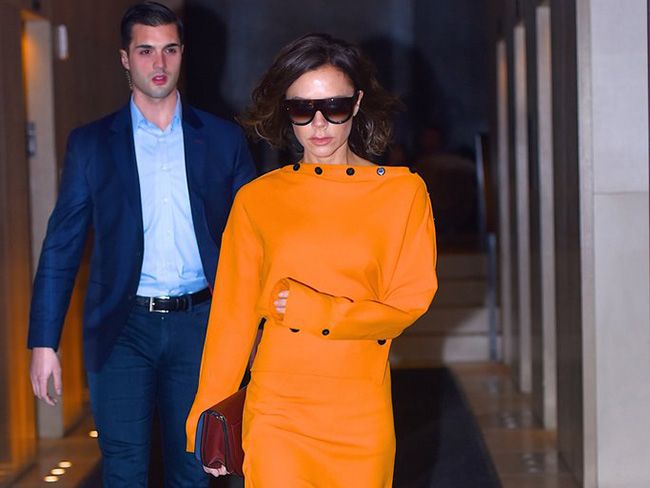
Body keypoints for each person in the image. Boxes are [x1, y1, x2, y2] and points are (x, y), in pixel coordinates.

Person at [185, 33, 438, 487]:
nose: (319, 124)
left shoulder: (402, 194)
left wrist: (317, 312)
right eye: (302, 109)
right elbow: (231, 319)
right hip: (277, 410)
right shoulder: (258, 199)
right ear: (286, 111)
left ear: (356, 104)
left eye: (334, 107)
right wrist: (207, 421)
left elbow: (407, 304)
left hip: (359, 411)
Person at [27, 2, 256, 486]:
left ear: (182, 54)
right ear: (125, 58)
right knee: (124, 470)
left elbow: (254, 239)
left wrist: (259, 325)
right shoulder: (91, 144)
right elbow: (61, 245)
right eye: (146, 50)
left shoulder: (223, 140)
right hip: (122, 327)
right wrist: (44, 341)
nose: (159, 62)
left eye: (169, 49)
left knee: (193, 469)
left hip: (201, 325)